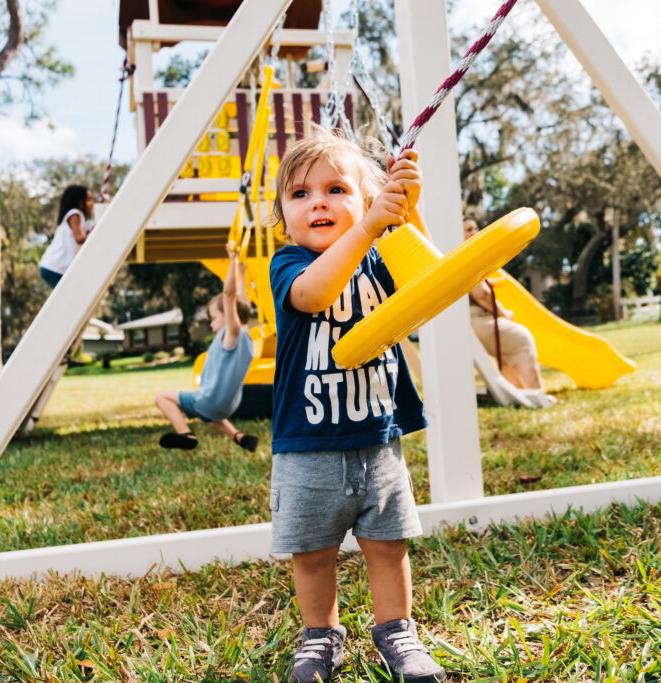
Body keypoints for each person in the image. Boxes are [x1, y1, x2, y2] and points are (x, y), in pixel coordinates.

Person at [268, 131, 446, 683]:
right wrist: (369, 223)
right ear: (283, 215)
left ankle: (398, 632)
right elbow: (316, 295)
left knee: (387, 546)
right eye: (299, 194)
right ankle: (320, 637)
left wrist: (407, 214)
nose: (317, 201)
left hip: (377, 440)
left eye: (336, 188)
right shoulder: (288, 263)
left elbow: (431, 280)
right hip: (308, 448)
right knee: (313, 554)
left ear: (366, 200)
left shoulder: (381, 256)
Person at [154, 242, 258, 452]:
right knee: (207, 415)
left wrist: (232, 260)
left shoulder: (232, 334)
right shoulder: (246, 336)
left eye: (213, 318)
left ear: (229, 316)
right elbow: (241, 300)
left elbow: (230, 297)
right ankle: (239, 437)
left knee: (162, 397)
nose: (211, 324)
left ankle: (185, 434)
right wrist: (240, 272)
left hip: (210, 400)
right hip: (227, 405)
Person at [463, 216, 544, 391]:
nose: (474, 232)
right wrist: (503, 314)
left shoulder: (469, 257)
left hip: (473, 322)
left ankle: (519, 391)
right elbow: (483, 295)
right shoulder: (464, 257)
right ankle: (536, 394)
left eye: (475, 228)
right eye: (468, 229)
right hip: (475, 321)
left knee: (511, 347)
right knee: (522, 338)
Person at [39, 185, 95, 288]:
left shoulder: (78, 216)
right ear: (78, 201)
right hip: (55, 267)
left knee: (67, 296)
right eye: (87, 200)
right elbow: (79, 239)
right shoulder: (75, 214)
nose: (91, 203)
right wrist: (94, 234)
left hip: (53, 267)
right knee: (68, 297)